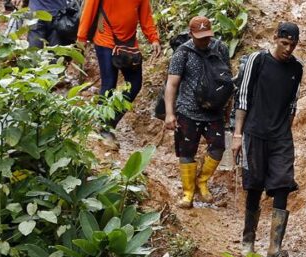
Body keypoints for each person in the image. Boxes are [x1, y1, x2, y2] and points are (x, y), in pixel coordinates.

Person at [231, 22, 303, 255]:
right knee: (254, 186)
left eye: (292, 45)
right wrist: (237, 134)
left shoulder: (296, 68)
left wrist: (285, 131)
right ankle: (248, 240)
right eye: (284, 43)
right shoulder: (257, 61)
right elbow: (243, 98)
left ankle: (275, 246)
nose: (288, 49)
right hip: (254, 132)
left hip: (280, 136)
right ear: (275, 38)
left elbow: (293, 104)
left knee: (282, 185)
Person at [164, 16, 230, 209]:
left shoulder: (220, 49)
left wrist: (227, 107)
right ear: (191, 33)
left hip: (214, 111)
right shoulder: (182, 53)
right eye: (200, 37)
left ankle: (202, 181)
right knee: (186, 152)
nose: (204, 41)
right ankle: (188, 193)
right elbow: (172, 84)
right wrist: (170, 113)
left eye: (207, 36)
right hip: (188, 110)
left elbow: (227, 80)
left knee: (218, 147)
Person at [76, 0, 160, 144]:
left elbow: (145, 15)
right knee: (109, 84)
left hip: (129, 44)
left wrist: (153, 38)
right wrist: (81, 37)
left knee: (135, 83)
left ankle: (110, 121)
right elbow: (89, 10)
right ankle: (104, 128)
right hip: (105, 40)